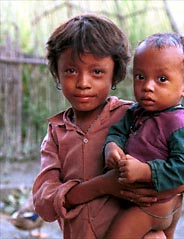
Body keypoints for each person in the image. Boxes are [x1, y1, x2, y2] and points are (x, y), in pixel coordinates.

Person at [32, 14, 168, 239]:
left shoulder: (138, 117)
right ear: (57, 72)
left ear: (115, 74)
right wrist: (103, 185)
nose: (83, 83)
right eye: (71, 71)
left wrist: (146, 174)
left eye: (97, 72)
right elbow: (44, 202)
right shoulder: (56, 134)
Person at [103, 33, 184, 239]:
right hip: (149, 202)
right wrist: (112, 146)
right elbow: (117, 132)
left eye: (162, 79)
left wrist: (145, 171)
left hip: (154, 205)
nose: (147, 86)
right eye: (140, 77)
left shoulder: (179, 125)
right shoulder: (136, 111)